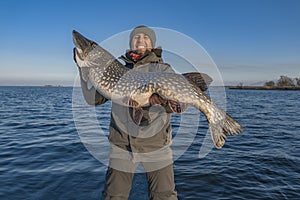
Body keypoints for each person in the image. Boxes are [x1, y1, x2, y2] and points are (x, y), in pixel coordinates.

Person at [78, 25, 178, 200]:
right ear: (131, 43)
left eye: (145, 38)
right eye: (136, 37)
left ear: (152, 44)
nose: (140, 40)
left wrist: (162, 103)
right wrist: (83, 68)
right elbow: (93, 99)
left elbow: (181, 104)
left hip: (157, 146)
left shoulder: (164, 70)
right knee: (113, 197)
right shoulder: (115, 69)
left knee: (165, 197)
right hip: (121, 145)